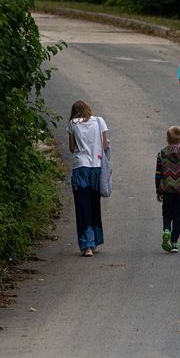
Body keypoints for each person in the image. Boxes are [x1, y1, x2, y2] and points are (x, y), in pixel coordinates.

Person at [67, 100, 109, 257]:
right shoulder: (99, 121)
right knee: (94, 204)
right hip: (96, 168)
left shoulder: (72, 124)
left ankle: (87, 245)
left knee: (82, 206)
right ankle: (96, 239)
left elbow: (72, 148)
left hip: (80, 167)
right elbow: (105, 146)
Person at [155, 126, 180, 253]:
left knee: (167, 214)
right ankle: (174, 242)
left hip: (167, 190)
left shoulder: (161, 154)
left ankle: (166, 229)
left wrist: (158, 190)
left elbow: (158, 174)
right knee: (178, 216)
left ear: (167, 139)